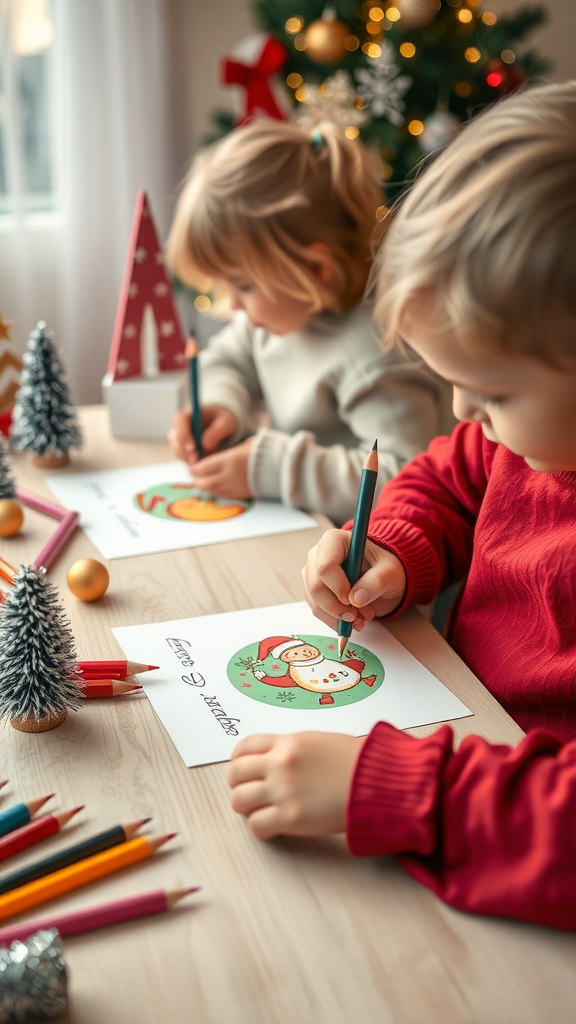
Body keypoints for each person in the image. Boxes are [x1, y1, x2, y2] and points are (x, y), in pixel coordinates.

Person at [226, 82, 576, 930]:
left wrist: (392, 789)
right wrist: (392, 542)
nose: (461, 410)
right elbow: (446, 478)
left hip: (499, 846)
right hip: (460, 730)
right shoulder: (519, 440)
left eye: (491, 387)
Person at [166, 119, 451, 525]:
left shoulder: (374, 353)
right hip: (308, 534)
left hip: (377, 570)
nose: (231, 303)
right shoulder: (280, 313)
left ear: (316, 269)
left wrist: (276, 469)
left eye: (243, 285)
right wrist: (221, 406)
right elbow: (227, 360)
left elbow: (406, 476)